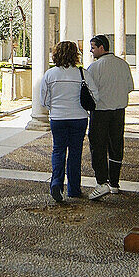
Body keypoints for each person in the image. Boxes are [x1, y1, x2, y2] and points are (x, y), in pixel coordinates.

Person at [85, 33, 135, 199]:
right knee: (116, 145)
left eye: (93, 47)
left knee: (98, 146)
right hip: (119, 111)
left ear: (101, 47)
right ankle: (114, 182)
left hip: (100, 113)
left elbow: (91, 91)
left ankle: (102, 182)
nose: (91, 51)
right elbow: (129, 87)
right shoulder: (123, 64)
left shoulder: (95, 67)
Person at [40, 40, 89, 203]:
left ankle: (56, 183)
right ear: (75, 54)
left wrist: (54, 108)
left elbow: (44, 100)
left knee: (58, 151)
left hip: (58, 118)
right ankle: (74, 189)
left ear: (56, 54)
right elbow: (94, 94)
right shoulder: (82, 73)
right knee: (75, 153)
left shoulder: (50, 74)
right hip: (79, 118)